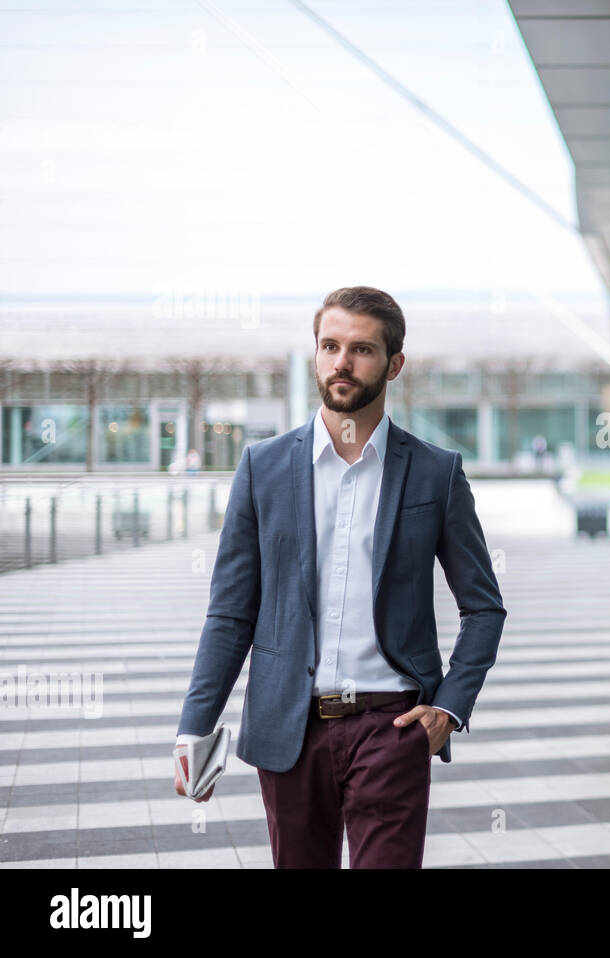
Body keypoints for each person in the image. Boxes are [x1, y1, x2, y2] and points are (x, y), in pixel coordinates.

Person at [173, 286, 507, 868]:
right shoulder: (263, 467)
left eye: (361, 349)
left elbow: (483, 608)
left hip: (391, 725)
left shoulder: (436, 473)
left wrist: (449, 709)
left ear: (394, 364)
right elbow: (230, 613)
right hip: (289, 728)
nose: (341, 363)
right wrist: (193, 731)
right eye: (329, 346)